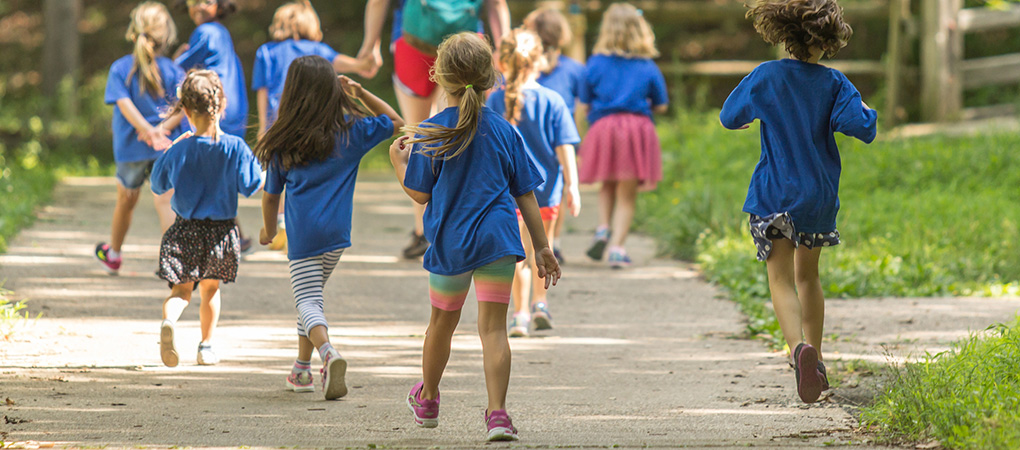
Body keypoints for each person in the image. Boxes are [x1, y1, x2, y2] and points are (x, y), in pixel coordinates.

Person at [388, 32, 560, 442]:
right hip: (498, 241)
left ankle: (428, 398)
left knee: (440, 326)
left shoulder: (431, 132)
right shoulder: (503, 131)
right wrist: (542, 247)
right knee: (494, 330)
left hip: (451, 242)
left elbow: (420, 193)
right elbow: (527, 195)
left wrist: (398, 163)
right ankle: (497, 414)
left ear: (440, 77)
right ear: (490, 80)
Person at [719, 0, 877, 403]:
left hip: (772, 194)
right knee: (809, 277)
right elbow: (861, 126)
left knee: (780, 279)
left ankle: (797, 352)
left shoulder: (766, 76)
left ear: (782, 34)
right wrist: (866, 109)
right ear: (828, 40)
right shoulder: (835, 83)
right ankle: (818, 359)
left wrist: (757, 112)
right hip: (816, 198)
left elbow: (729, 117)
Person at [254, 56, 403, 399]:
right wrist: (361, 93)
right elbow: (396, 122)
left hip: (304, 236)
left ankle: (328, 354)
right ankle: (301, 370)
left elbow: (270, 198)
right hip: (336, 238)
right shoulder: (352, 134)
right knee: (311, 298)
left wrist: (268, 231)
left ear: (291, 94)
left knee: (307, 300)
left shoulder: (282, 142)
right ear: (332, 92)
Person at [356, 0, 510, 260]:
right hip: (469, 41)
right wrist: (504, 48)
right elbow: (496, 4)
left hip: (414, 41)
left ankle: (424, 230)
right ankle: (465, 222)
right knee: (464, 127)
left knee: (418, 134)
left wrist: (370, 45)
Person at [151, 69, 264, 367]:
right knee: (210, 290)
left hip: (184, 230)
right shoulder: (235, 147)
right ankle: (206, 346)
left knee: (181, 290)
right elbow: (251, 185)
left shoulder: (181, 149)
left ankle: (170, 322)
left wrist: (172, 151)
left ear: (185, 111)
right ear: (222, 105)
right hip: (221, 233)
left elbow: (157, 184)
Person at [251, 0, 368, 252]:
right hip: (315, 123)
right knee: (305, 171)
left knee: (277, 176)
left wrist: (263, 125)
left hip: (280, 122)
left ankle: (281, 223)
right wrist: (367, 59)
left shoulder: (266, 51)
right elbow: (356, 66)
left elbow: (262, 91)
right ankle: (297, 224)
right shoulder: (318, 49)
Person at [486, 29, 580, 338]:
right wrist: (572, 185)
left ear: (503, 60)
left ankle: (520, 314)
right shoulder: (552, 100)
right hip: (546, 191)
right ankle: (541, 305)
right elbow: (565, 146)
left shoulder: (495, 99)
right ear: (539, 60)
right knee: (544, 247)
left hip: (507, 194)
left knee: (519, 256)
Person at [95, 1, 189, 275]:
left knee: (126, 199)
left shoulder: (121, 68)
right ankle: (175, 263)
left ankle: (113, 254)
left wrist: (146, 130)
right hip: (166, 145)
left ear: (133, 31)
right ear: (166, 34)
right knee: (166, 200)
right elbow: (184, 106)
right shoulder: (173, 70)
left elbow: (123, 104)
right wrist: (161, 129)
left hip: (131, 147)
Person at [579, 2, 668, 268]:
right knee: (627, 194)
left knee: (606, 184)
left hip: (603, 129)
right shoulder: (647, 66)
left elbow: (584, 101)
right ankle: (617, 247)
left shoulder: (594, 63)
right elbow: (661, 104)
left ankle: (603, 228)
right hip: (635, 131)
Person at [523, 7, 585, 264]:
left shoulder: (520, 68)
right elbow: (580, 107)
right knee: (556, 190)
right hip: (560, 139)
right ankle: (553, 241)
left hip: (527, 139)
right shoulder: (574, 69)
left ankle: (530, 242)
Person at [174, 0, 247, 139]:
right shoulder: (222, 31)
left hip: (212, 109)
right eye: (193, 1)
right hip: (235, 112)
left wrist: (176, 58)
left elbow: (175, 70)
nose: (199, 6)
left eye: (207, 2)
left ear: (220, 6)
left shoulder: (205, 31)